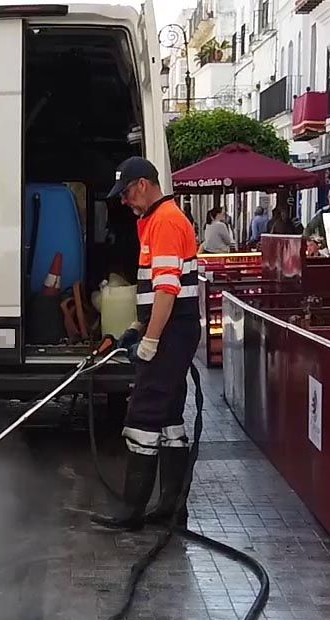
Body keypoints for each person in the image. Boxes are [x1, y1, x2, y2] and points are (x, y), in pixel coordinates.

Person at [90, 157, 201, 532]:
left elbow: (169, 291)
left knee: (142, 415)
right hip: (171, 328)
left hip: (172, 331)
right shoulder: (152, 221)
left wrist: (151, 340)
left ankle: (131, 512)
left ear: (141, 184)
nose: (124, 202)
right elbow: (155, 289)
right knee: (168, 418)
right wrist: (138, 325)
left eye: (126, 194)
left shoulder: (166, 222)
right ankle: (171, 509)